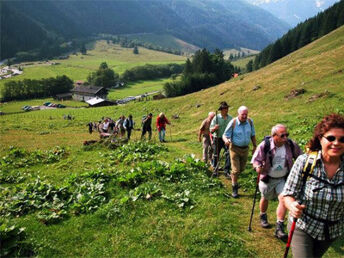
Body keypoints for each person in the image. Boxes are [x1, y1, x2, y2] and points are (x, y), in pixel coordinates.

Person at [282, 113, 344, 258]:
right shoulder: (305, 162)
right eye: (331, 138)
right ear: (320, 139)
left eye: (342, 139)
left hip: (332, 231)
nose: (336, 143)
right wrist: (292, 206)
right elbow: (287, 194)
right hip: (303, 225)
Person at [251, 124, 302, 240]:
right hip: (268, 178)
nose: (285, 138)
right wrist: (258, 167)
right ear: (274, 136)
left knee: (283, 199)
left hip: (283, 178)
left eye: (286, 135)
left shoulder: (290, 145)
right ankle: (263, 215)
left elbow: (300, 157)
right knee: (265, 197)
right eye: (282, 135)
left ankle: (279, 227)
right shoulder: (265, 145)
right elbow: (256, 160)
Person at [223, 106, 257, 198]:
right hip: (234, 149)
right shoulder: (233, 122)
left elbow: (253, 134)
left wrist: (254, 146)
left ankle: (234, 177)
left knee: (241, 169)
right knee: (236, 170)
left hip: (245, 149)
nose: (245, 116)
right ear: (238, 114)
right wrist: (226, 140)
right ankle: (234, 188)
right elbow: (225, 135)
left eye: (246, 114)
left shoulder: (250, 122)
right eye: (243, 114)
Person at [210, 101, 232, 177]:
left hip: (227, 139)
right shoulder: (216, 118)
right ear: (221, 110)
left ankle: (227, 171)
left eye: (227, 108)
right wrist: (214, 128)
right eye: (225, 108)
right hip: (218, 138)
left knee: (229, 154)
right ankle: (215, 170)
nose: (226, 110)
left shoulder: (231, 118)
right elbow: (211, 130)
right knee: (216, 154)